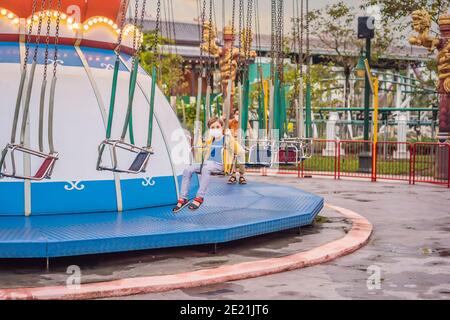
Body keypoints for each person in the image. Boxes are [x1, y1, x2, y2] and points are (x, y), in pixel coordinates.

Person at [173, 117, 244, 213]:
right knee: (187, 170)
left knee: (205, 169)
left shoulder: (227, 140)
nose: (215, 129)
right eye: (212, 127)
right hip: (207, 163)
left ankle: (199, 197)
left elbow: (240, 151)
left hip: (220, 164)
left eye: (217, 127)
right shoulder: (210, 140)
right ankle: (183, 198)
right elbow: (201, 150)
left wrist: (240, 169)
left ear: (222, 128)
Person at [228, 110, 247, 185]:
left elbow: (251, 131)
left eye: (239, 114)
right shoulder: (230, 122)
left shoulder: (244, 123)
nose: (237, 115)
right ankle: (233, 175)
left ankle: (241, 176)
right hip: (232, 142)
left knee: (241, 155)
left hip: (241, 143)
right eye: (236, 114)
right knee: (231, 157)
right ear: (234, 114)